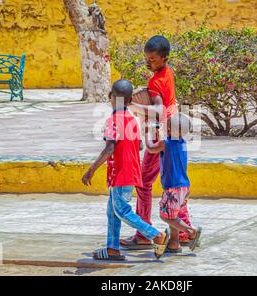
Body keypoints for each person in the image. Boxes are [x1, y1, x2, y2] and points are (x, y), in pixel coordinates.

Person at [82, 79, 170, 261]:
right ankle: (112, 249)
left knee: (122, 210)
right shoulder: (132, 119)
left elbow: (110, 148)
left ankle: (155, 235)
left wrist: (91, 170)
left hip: (121, 173)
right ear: (130, 100)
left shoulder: (113, 120)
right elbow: (138, 146)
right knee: (112, 211)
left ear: (110, 97)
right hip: (130, 171)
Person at [122, 35, 193, 250]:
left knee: (143, 183)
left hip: (158, 132)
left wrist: (132, 105)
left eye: (152, 59)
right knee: (176, 184)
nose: (148, 62)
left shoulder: (156, 81)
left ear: (164, 58)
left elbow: (159, 110)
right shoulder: (167, 73)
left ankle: (144, 233)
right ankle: (183, 231)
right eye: (147, 58)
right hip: (172, 131)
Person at [144, 113, 202, 253]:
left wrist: (146, 134)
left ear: (169, 129)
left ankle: (191, 232)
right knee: (174, 215)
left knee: (166, 216)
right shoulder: (182, 142)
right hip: (184, 187)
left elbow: (151, 148)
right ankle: (174, 243)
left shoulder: (166, 143)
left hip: (172, 188)